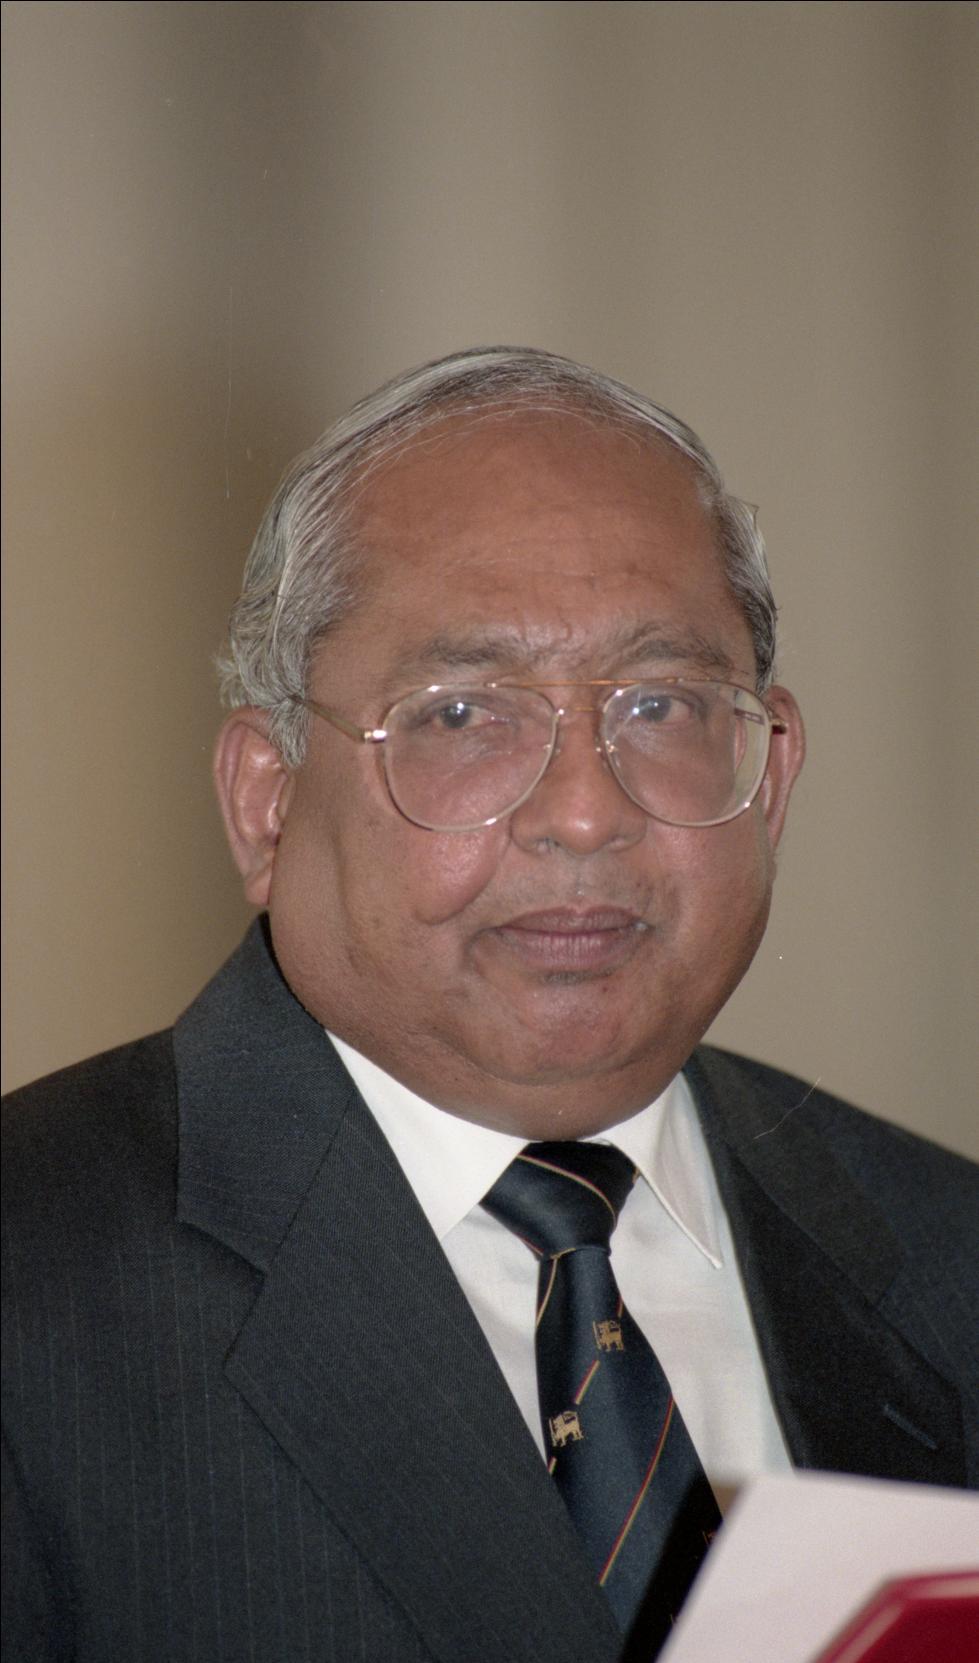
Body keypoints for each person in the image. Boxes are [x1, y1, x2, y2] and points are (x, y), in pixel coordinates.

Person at [3, 347, 976, 1663]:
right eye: (462, 715)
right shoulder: (33, 1288)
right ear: (267, 802)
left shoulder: (951, 1257)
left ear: (773, 777)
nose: (584, 812)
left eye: (661, 705)